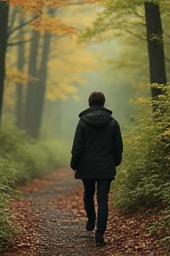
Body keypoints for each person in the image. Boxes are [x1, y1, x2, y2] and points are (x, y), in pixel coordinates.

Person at [70, 91, 123, 246]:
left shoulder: (82, 123)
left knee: (88, 194)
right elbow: (118, 146)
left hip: (87, 167)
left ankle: (91, 220)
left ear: (89, 103)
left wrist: (74, 163)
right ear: (103, 102)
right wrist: (116, 161)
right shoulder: (112, 122)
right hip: (106, 167)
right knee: (103, 200)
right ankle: (99, 235)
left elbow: (77, 147)